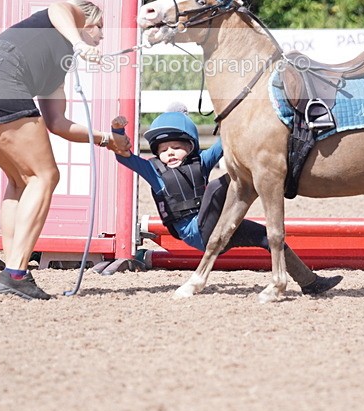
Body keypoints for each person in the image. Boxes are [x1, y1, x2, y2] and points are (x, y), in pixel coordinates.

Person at [0, 0, 130, 301]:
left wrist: (106, 139)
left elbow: (57, 123)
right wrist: (78, 41)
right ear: (88, 21)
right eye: (100, 28)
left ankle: (13, 268)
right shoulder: (68, 17)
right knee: (45, 176)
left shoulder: (59, 67)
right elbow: (59, 7)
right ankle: (16, 273)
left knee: (20, 179)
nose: (102, 36)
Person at [111, 107, 343, 295]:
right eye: (164, 149)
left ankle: (309, 282)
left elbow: (225, 142)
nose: (170, 153)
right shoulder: (152, 170)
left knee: (267, 236)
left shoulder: (201, 161)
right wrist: (117, 131)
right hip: (195, 232)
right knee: (228, 181)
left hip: (218, 226)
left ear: (190, 147)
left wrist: (240, 116)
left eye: (177, 148)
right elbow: (125, 157)